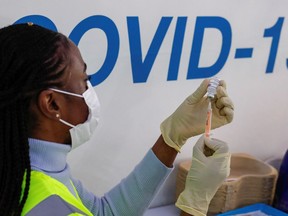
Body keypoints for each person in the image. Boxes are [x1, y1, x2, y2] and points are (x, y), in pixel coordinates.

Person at [0, 23, 234, 216]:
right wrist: (195, 203)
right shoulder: (51, 205)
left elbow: (105, 213)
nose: (89, 89)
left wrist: (172, 137)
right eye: (84, 80)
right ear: (52, 104)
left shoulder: (25, 167)